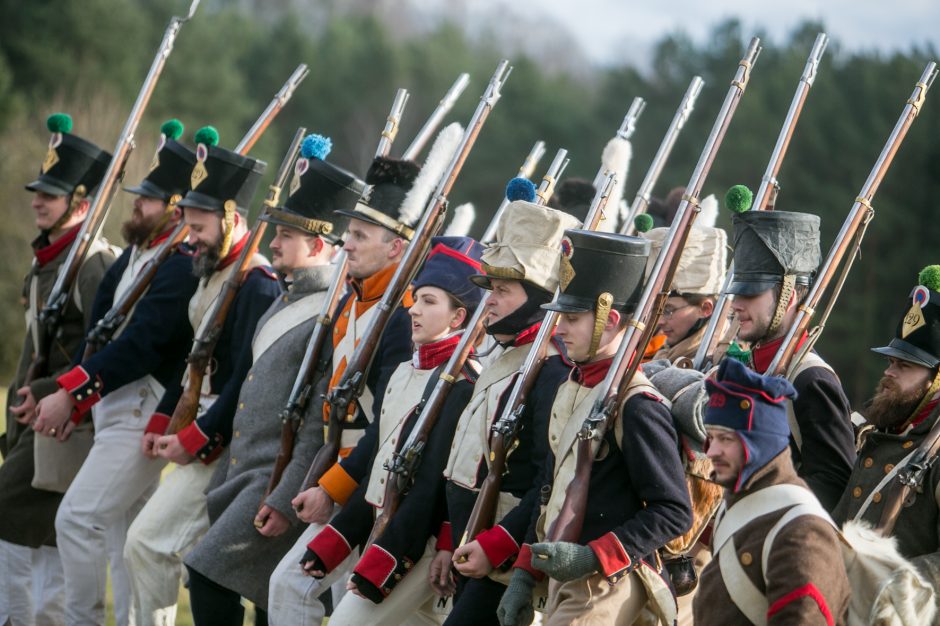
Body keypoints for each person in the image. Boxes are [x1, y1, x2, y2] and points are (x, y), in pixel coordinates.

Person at [178, 133, 365, 625]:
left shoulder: (330, 314)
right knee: (262, 603)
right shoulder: (283, 299)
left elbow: (315, 422)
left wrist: (284, 497)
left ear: (319, 244)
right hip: (244, 473)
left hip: (279, 479)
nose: (273, 243)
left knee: (207, 572)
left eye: (285, 235)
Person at [31, 119, 199, 626]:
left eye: (148, 199)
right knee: (125, 539)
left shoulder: (178, 263)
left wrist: (72, 392)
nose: (136, 204)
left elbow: (141, 345)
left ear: (174, 208)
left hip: (144, 405)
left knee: (79, 520)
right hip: (112, 407)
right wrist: (74, 398)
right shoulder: (139, 255)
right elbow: (98, 337)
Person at [121, 126, 280, 626]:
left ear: (232, 220)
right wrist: (162, 418)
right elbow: (196, 365)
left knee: (148, 544)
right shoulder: (212, 273)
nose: (190, 239)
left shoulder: (255, 285)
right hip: (201, 428)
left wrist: (198, 437)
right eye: (187, 227)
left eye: (199, 229)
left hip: (224, 444)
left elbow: (244, 384)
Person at [497, 229, 692, 626]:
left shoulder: (637, 404)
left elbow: (673, 512)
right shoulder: (571, 385)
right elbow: (551, 493)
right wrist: (523, 573)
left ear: (611, 319)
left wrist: (594, 556)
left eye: (572, 318)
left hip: (608, 582)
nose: (560, 330)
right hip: (565, 580)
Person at [267, 151, 427, 625]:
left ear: (396, 247)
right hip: (343, 471)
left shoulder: (401, 317)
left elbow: (388, 423)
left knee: (294, 587)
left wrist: (334, 489)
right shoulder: (354, 302)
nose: (346, 243)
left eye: (359, 235)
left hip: (369, 483)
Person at [301, 236, 485, 625]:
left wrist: (381, 565)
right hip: (394, 529)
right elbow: (381, 471)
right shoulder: (406, 371)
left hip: (422, 541)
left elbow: (431, 485)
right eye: (416, 299)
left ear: (458, 318)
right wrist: (337, 540)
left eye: (430, 302)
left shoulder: (463, 385)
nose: (414, 311)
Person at [434, 183, 579, 626]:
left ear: (537, 298)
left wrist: (496, 545)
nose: (489, 300)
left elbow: (547, 482)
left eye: (503, 289)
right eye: (490, 286)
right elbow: (465, 464)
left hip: (506, 560)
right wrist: (448, 539)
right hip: (470, 545)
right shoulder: (506, 353)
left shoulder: (552, 369)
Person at [0, 112, 116, 626]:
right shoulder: (49, 256)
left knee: (11, 512)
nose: (38, 201)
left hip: (68, 416)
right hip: (35, 416)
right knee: (42, 528)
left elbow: (100, 346)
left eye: (52, 193)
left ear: (83, 204)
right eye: (39, 191)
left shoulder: (90, 262)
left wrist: (50, 389)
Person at [722, 197, 855, 511]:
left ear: (789, 295)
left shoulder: (811, 379)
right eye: (737, 293)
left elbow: (834, 481)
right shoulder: (751, 366)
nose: (736, 304)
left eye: (750, 293)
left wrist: (765, 508)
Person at [693, 357, 850, 625]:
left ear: (761, 444)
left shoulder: (803, 532)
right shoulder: (737, 505)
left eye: (726, 439)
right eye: (711, 438)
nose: (711, 451)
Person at [832, 265, 940, 620]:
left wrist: (899, 585)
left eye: (905, 367)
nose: (889, 373)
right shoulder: (879, 436)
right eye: (892, 362)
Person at [643, 195, 728, 363]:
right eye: (657, 310)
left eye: (668, 310)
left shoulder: (720, 361)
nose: (659, 321)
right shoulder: (664, 354)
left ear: (705, 309)